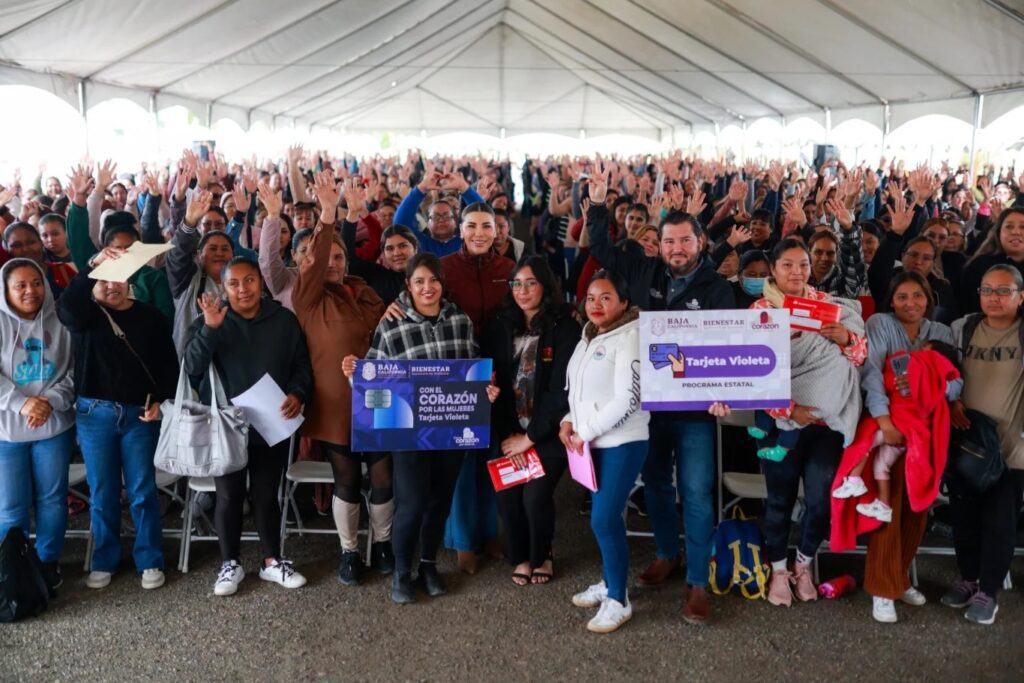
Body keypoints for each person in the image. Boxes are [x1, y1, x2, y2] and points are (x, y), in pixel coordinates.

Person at [586, 163, 733, 624]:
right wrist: (596, 205)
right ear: (659, 244)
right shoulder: (643, 272)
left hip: (695, 411)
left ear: (700, 243)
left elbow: (729, 350)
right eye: (669, 241)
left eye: (685, 241)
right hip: (646, 408)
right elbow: (600, 249)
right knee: (655, 485)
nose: (676, 249)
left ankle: (698, 583)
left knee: (697, 492)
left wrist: (725, 391)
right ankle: (668, 554)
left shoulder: (718, 289)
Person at [343, 252, 498, 605]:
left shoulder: (459, 320)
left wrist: (485, 389)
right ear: (408, 285)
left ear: (442, 283)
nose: (427, 288)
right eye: (419, 281)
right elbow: (373, 380)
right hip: (408, 435)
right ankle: (402, 571)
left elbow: (472, 371)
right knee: (411, 503)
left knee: (440, 501)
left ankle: (428, 565)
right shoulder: (391, 324)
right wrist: (355, 375)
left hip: (450, 431)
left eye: (433, 280)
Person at [830, 272, 961, 623]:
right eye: (902, 296)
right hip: (887, 425)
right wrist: (885, 422)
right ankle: (882, 588)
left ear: (928, 299)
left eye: (917, 296)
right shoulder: (879, 323)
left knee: (918, 509)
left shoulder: (941, 332)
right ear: (891, 300)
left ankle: (899, 578)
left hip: (926, 432)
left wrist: (931, 386)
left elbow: (956, 382)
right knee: (888, 508)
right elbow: (871, 374)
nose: (910, 303)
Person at [183, 256, 313, 597]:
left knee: (267, 494)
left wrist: (298, 393)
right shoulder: (211, 320)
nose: (243, 289)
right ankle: (230, 563)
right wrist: (210, 328)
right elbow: (192, 368)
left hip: (271, 422)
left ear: (261, 282)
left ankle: (272, 561)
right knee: (228, 495)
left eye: (250, 280)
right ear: (223, 288)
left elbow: (301, 364)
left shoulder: (283, 319)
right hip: (226, 424)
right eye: (234, 283)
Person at [751, 238, 867, 607]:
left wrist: (847, 339)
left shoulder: (829, 306)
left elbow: (858, 358)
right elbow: (751, 371)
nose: (797, 272)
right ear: (773, 269)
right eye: (787, 265)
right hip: (779, 420)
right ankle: (778, 570)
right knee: (779, 500)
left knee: (820, 502)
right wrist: (789, 409)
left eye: (802, 264)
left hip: (824, 424)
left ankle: (803, 565)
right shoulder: (759, 311)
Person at [56, 250, 178, 591]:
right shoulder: (86, 315)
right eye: (105, 279)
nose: (113, 286)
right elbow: (66, 307)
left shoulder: (151, 317)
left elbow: (168, 365)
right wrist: (91, 266)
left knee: (142, 490)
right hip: (95, 415)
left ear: (129, 280)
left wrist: (161, 400)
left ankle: (150, 558)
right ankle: (104, 559)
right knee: (103, 492)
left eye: (119, 278)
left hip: (140, 414)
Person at [293, 174, 389, 586]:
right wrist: (329, 214)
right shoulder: (308, 298)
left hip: (380, 400)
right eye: (326, 257)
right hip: (336, 404)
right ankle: (349, 552)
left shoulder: (366, 293)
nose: (331, 263)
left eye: (339, 257)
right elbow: (315, 261)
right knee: (346, 479)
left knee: (383, 478)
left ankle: (382, 543)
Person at [561, 270, 649, 634]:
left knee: (603, 518)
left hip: (622, 442)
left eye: (606, 297)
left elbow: (629, 399)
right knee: (607, 519)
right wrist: (568, 421)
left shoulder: (631, 336)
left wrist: (585, 431)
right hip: (592, 442)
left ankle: (618, 600)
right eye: (591, 298)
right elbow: (579, 392)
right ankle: (610, 580)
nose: (596, 305)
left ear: (624, 303)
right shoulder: (589, 335)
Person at [487, 256, 579, 586]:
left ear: (545, 286)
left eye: (530, 283)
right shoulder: (499, 324)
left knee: (535, 496)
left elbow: (560, 392)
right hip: (508, 432)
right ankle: (520, 556)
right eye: (516, 283)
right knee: (507, 494)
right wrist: (489, 392)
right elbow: (490, 375)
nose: (522, 291)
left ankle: (542, 555)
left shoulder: (564, 328)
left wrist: (529, 440)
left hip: (548, 434)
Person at [945, 264, 1024, 625]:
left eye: (1004, 290)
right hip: (968, 443)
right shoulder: (963, 328)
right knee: (964, 518)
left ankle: (988, 592)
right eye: (988, 290)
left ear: (1020, 297)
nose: (994, 297)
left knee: (999, 522)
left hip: (1012, 449)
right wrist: (951, 401)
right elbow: (946, 374)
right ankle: (969, 580)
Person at [438, 202, 515, 574]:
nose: (479, 233)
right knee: (462, 458)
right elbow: (418, 296)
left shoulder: (509, 269)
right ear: (460, 230)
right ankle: (463, 541)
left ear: (497, 231)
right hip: (458, 372)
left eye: (487, 226)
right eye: (472, 226)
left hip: (501, 371)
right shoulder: (445, 267)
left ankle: (489, 532)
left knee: (493, 454)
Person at [0, 258, 75, 592]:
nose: (30, 291)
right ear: (5, 291)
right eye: (21, 285)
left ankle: (47, 563)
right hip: (7, 431)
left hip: (53, 427)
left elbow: (75, 370)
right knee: (11, 507)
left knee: (52, 499)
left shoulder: (61, 320)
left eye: (36, 283)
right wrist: (22, 403)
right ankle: (12, 569)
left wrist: (50, 401)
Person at [167, 189, 234, 353]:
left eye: (225, 249)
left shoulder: (240, 284)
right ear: (199, 255)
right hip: (192, 363)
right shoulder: (187, 280)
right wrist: (189, 221)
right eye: (212, 248)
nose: (219, 253)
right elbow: (177, 256)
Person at [393, 169, 485, 256]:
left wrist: (463, 187)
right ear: (428, 224)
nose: (441, 220)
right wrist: (421, 188)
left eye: (446, 216)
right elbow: (400, 224)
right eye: (435, 217)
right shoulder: (420, 243)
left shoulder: (467, 241)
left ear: (455, 221)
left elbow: (484, 216)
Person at [959, 208, 1024, 314]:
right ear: (999, 233)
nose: (1015, 232)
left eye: (1023, 227)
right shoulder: (979, 265)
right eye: (1009, 227)